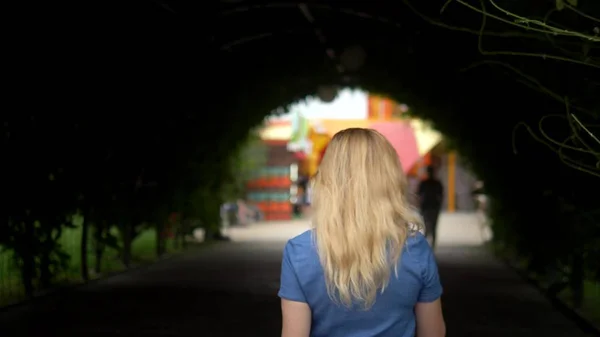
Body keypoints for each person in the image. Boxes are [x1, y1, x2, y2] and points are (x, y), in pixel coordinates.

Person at [278, 128, 446, 337]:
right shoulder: (415, 248)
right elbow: (433, 333)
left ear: (328, 179)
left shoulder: (299, 252)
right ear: (390, 179)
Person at [417, 166, 444, 248]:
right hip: (433, 206)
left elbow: (419, 196)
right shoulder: (436, 183)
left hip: (427, 206)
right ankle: (432, 245)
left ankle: (427, 245)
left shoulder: (424, 183)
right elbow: (441, 196)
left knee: (428, 225)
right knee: (433, 226)